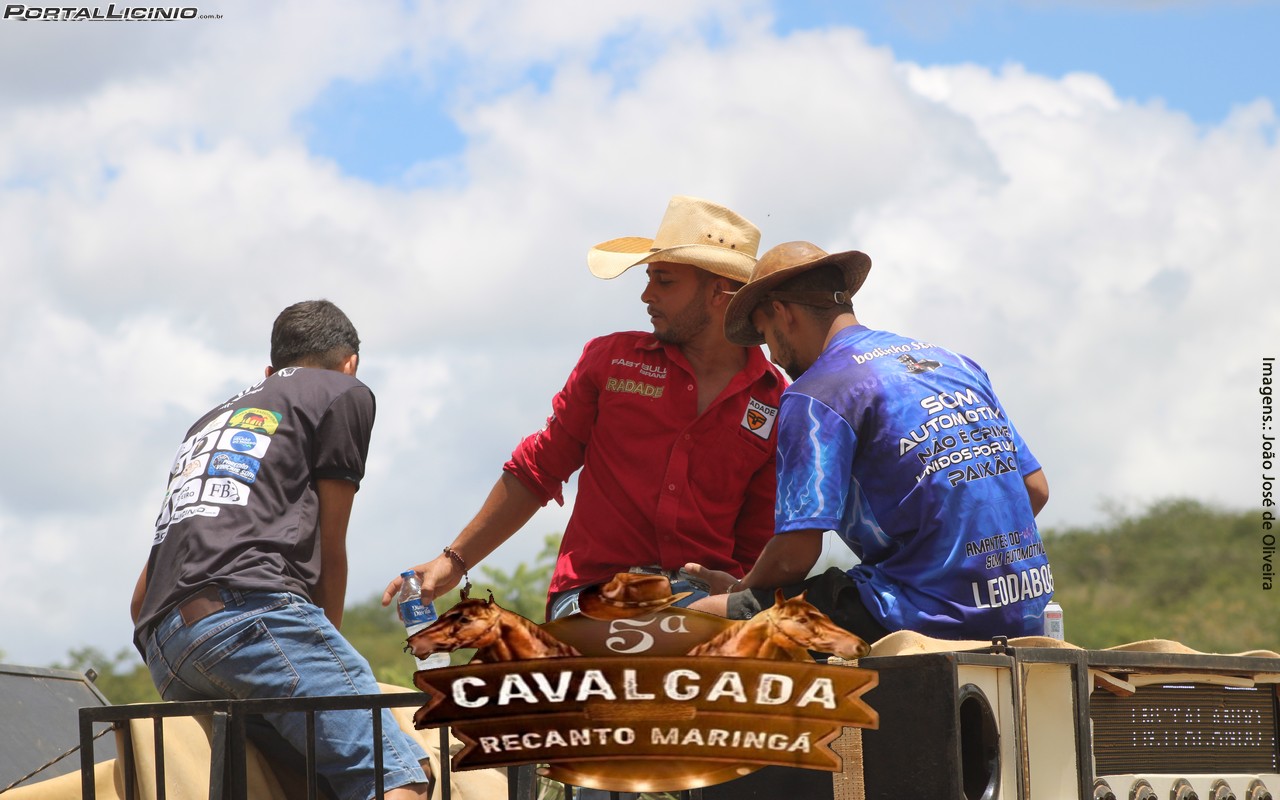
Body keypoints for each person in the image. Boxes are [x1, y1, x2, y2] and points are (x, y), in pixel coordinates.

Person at [384, 195, 787, 621]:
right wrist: (454, 561)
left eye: (664, 281)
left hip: (702, 606)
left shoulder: (776, 400)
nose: (646, 295)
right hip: (593, 595)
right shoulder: (611, 361)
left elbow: (759, 539)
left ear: (718, 292)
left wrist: (738, 594)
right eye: (649, 279)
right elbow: (538, 468)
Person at [130, 300, 431, 800]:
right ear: (350, 362)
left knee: (307, 783)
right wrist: (328, 648)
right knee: (398, 774)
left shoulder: (209, 423)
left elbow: (141, 597)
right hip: (250, 618)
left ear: (269, 372)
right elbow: (330, 544)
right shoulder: (342, 390)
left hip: (167, 648)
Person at [685, 241, 1053, 642]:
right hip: (1024, 610)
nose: (772, 355)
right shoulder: (955, 363)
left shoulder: (816, 393)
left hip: (922, 612)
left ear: (782, 313)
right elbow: (1035, 489)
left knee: (699, 618)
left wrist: (740, 590)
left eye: (764, 334)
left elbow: (794, 555)